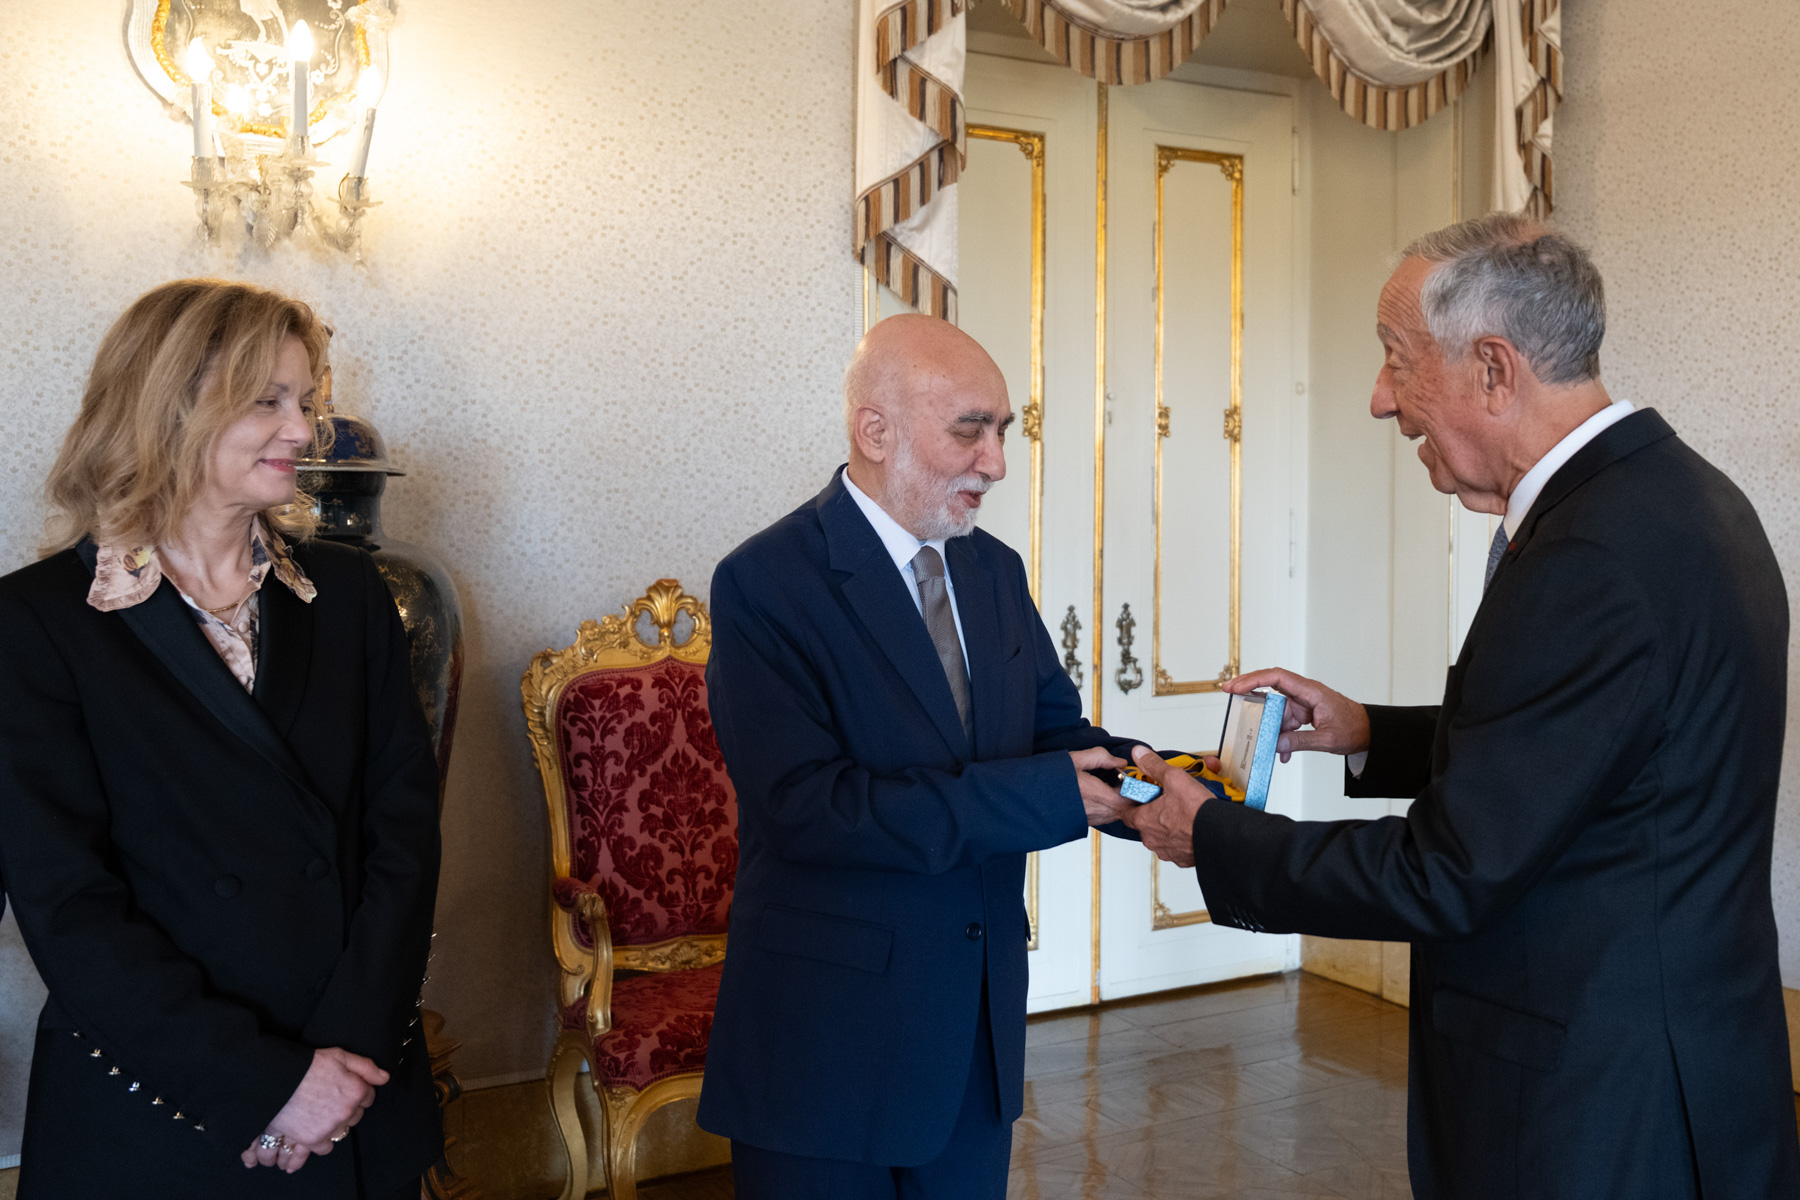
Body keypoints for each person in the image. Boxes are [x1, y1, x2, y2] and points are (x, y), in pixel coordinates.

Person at [1125, 214, 1800, 1198]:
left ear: (1493, 368)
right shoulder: (1682, 498)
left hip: (1596, 1104)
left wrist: (1216, 837)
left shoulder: (1588, 557)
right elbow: (1594, 753)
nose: (1379, 399)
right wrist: (1371, 734)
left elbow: (1449, 874)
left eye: (1396, 359)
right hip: (1684, 1059)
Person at [0, 279, 444, 1199]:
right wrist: (264, 1086)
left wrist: (343, 1063)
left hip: (354, 1079)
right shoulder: (36, 623)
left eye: (306, 401)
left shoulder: (350, 594)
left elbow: (403, 835)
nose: (303, 430)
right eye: (268, 401)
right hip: (162, 1101)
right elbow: (67, 902)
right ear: (169, 405)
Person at [698, 314, 1139, 1199]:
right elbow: (810, 809)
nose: (996, 462)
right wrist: (1053, 795)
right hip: (827, 1044)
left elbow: (1052, 733)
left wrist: (1161, 781)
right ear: (875, 431)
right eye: (970, 430)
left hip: (974, 1034)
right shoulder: (765, 581)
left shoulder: (994, 570)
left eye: (1003, 430)